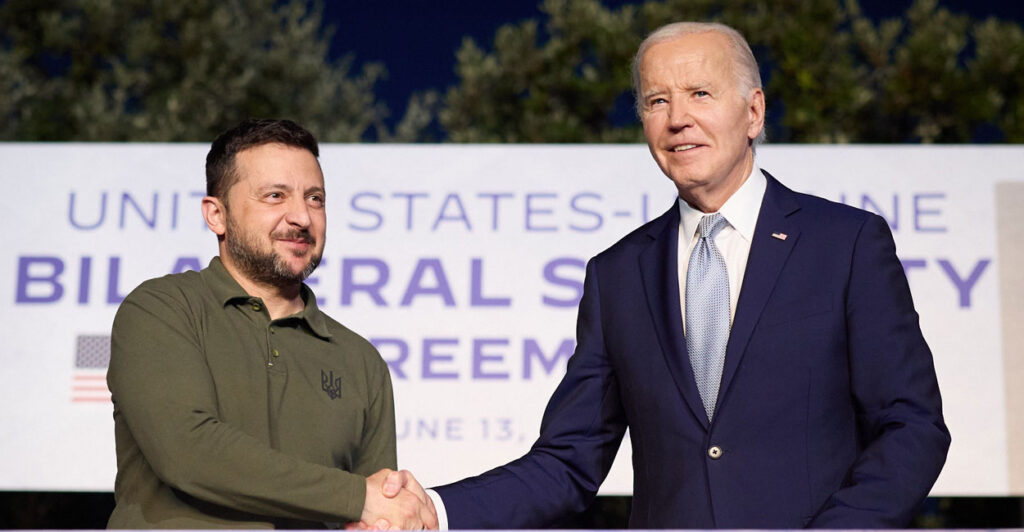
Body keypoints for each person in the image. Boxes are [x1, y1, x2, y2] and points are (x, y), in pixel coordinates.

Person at [372, 21, 950, 529]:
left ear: (754, 112)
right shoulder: (616, 275)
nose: (678, 120)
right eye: (656, 101)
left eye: (700, 93)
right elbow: (569, 461)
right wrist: (435, 511)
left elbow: (913, 427)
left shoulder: (844, 243)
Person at [106, 118, 435, 529]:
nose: (301, 216)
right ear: (216, 215)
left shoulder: (360, 360)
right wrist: (355, 498)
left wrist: (382, 510)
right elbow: (189, 452)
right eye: (275, 195)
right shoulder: (162, 309)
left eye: (315, 198)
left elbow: (377, 511)